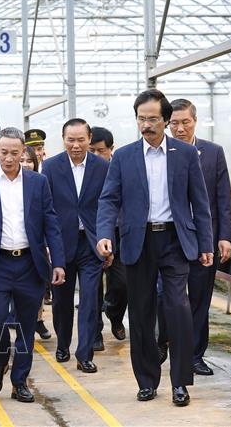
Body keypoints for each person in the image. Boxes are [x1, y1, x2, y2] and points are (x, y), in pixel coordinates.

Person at [97, 89, 213, 406]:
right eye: (141, 118)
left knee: (178, 307)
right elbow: (109, 199)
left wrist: (206, 243)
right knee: (142, 312)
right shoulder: (123, 157)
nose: (146, 125)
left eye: (152, 119)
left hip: (176, 240)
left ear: (165, 120)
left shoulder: (186, 155)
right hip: (138, 241)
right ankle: (147, 380)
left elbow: (199, 203)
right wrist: (104, 234)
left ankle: (180, 382)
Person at [0, 127, 65, 403]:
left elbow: (51, 222)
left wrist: (58, 262)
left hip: (30, 263)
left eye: (15, 153)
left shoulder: (38, 182)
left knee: (27, 325)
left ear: (23, 152)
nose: (9, 158)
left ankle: (20, 381)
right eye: (4, 152)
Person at [156, 98, 231, 376]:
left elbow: (222, 198)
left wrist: (225, 237)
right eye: (173, 123)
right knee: (165, 294)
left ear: (195, 121)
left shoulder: (212, 153)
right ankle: (163, 341)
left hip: (204, 240)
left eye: (184, 122)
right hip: (169, 239)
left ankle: (194, 355)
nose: (179, 128)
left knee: (200, 298)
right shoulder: (159, 153)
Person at [42, 118, 110, 374]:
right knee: (61, 300)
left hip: (92, 244)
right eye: (71, 140)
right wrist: (48, 244)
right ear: (63, 139)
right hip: (61, 243)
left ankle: (85, 354)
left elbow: (108, 206)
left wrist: (107, 240)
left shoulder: (102, 167)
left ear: (89, 138)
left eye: (81, 139)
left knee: (91, 299)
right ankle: (63, 343)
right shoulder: (50, 166)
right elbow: (45, 209)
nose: (76, 145)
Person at [90, 126, 128, 351]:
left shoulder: (121, 167)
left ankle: (114, 313)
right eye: (91, 150)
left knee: (122, 282)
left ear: (110, 150)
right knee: (92, 285)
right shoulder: (85, 170)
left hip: (119, 233)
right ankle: (95, 331)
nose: (95, 155)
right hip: (91, 234)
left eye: (100, 151)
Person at [19, 146, 51, 340]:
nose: (25, 164)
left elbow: (49, 218)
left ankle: (37, 320)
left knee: (35, 292)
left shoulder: (40, 182)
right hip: (10, 249)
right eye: (21, 159)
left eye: (29, 160)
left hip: (37, 248)